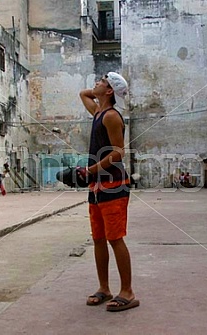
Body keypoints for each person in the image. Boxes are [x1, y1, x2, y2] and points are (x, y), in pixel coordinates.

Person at [79, 72, 139, 312]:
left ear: (110, 91)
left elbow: (119, 152)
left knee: (115, 238)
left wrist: (91, 168)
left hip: (113, 184)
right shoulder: (98, 113)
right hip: (96, 186)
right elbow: (83, 94)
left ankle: (128, 292)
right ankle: (104, 288)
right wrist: (97, 92)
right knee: (98, 239)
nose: (96, 82)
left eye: (102, 81)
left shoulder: (112, 116)